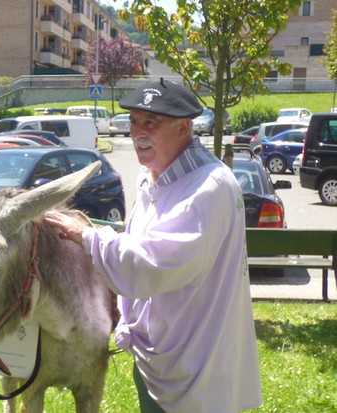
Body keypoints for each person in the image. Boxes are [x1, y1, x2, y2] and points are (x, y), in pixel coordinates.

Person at [45, 79, 262, 412]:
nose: (137, 133)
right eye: (133, 121)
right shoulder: (154, 178)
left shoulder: (208, 186)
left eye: (151, 123)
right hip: (159, 359)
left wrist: (88, 237)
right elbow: (143, 244)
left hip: (195, 368)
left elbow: (154, 263)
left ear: (183, 127)